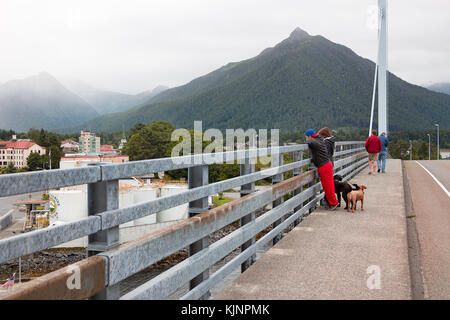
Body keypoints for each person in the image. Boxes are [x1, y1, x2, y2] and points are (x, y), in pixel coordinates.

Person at [305, 129, 339, 211]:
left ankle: (333, 203)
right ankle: (333, 202)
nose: (306, 138)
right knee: (328, 185)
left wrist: (306, 141)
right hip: (326, 164)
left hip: (324, 166)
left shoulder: (314, 141)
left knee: (328, 186)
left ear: (309, 136)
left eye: (306, 136)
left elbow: (309, 142)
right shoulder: (319, 139)